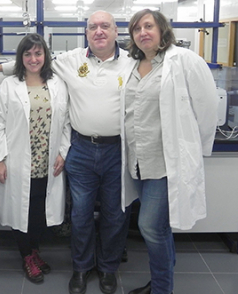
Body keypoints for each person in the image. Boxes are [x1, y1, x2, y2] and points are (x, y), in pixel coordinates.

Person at [0, 11, 135, 294]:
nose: (99, 31)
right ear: (86, 32)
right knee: (81, 214)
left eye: (105, 26)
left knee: (115, 213)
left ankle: (108, 268)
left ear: (116, 31)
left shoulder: (132, 63)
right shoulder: (72, 61)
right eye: (93, 27)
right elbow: (32, 62)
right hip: (82, 149)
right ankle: (82, 268)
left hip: (117, 150)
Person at [123, 9, 219, 294]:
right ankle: (161, 280)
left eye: (149, 26)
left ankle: (163, 289)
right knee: (158, 228)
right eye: (137, 28)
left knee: (151, 227)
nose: (143, 32)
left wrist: (193, 149)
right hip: (137, 161)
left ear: (162, 30)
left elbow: (208, 106)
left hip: (167, 162)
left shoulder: (184, 60)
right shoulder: (132, 64)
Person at [0, 33, 70, 284]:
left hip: (47, 161)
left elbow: (67, 122)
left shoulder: (57, 83)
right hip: (18, 160)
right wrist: (0, 159)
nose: (33, 58)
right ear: (21, 57)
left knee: (38, 210)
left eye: (38, 53)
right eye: (27, 54)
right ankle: (26, 255)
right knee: (21, 210)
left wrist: (63, 152)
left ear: (45, 56)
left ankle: (35, 251)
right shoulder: (9, 85)